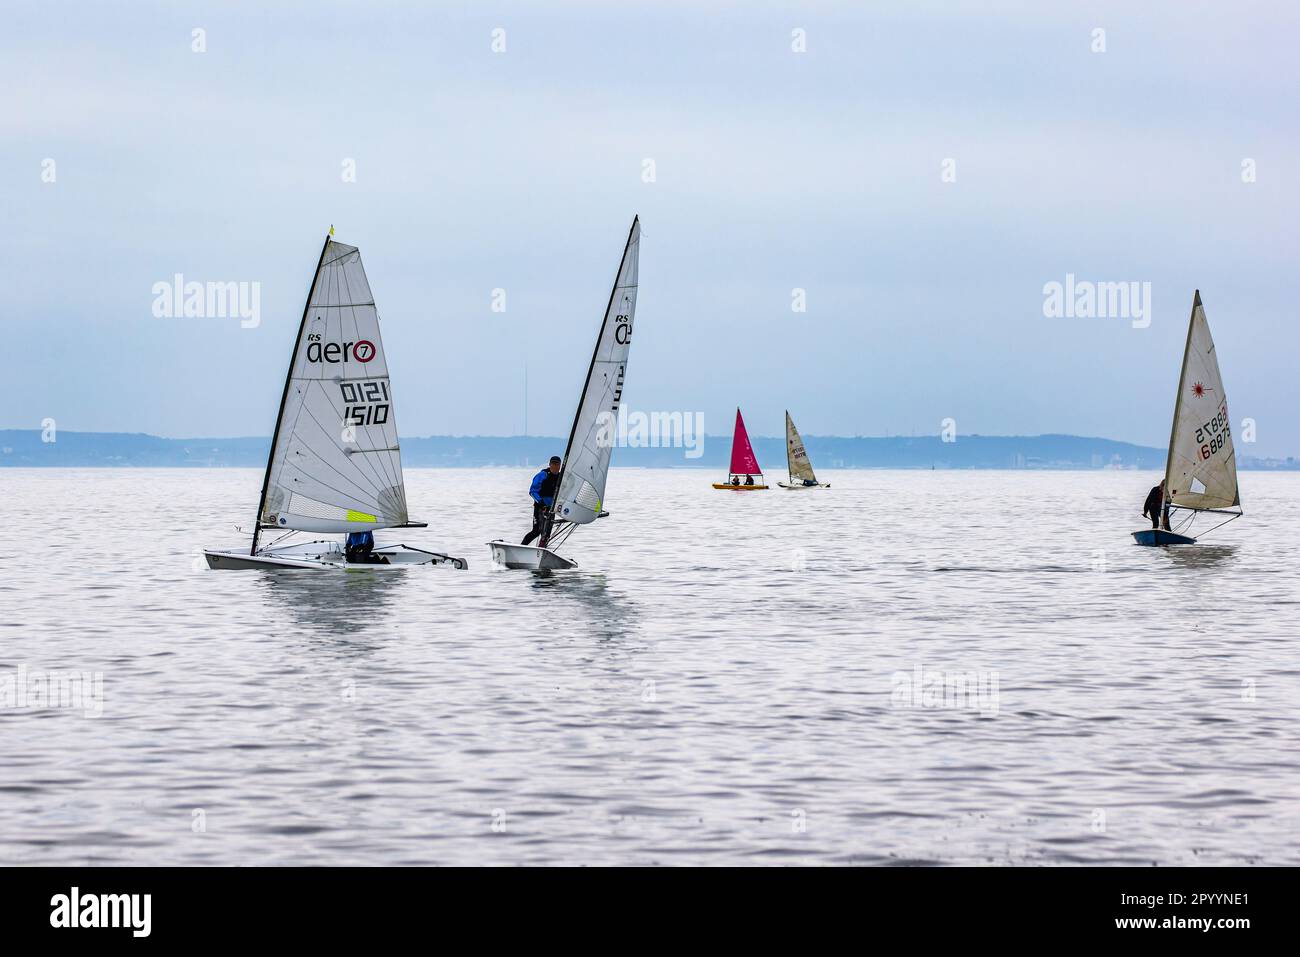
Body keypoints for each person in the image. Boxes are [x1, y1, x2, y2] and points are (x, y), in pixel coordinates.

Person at [522, 456, 562, 546]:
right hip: (540, 508)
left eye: (557, 464)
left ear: (560, 466)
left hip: (551, 509)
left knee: (546, 535)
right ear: (550, 465)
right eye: (553, 464)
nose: (555, 466)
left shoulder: (561, 478)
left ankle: (541, 551)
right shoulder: (542, 475)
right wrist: (541, 502)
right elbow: (532, 491)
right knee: (537, 531)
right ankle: (521, 547)